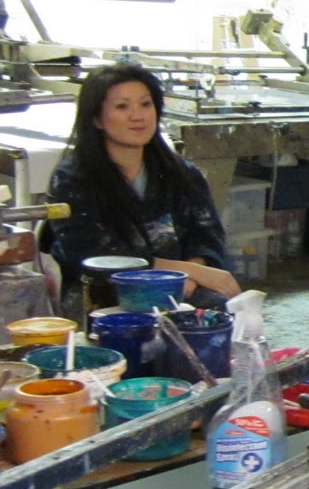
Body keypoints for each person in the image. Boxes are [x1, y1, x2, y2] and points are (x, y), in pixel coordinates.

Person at [47, 63, 240, 316]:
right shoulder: (72, 180)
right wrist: (178, 275)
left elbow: (207, 234)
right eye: (122, 106)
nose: (138, 116)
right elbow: (94, 254)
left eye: (145, 104)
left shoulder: (182, 174)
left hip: (180, 288)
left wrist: (194, 271)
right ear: (96, 118)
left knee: (219, 310)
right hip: (104, 292)